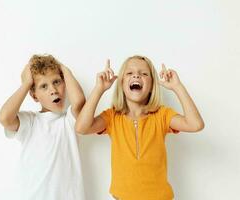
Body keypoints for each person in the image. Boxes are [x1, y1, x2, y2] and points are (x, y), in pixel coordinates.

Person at [75, 55, 204, 200]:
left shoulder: (162, 115)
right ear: (122, 83)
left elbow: (196, 124)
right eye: (129, 73)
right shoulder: (112, 117)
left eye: (144, 73)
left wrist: (177, 87)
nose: (136, 75)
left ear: (152, 86)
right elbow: (81, 128)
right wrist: (99, 89)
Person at [0, 54, 86, 200]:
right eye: (44, 86)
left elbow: (79, 102)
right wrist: (26, 84)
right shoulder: (30, 122)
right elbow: (4, 117)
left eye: (57, 82)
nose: (53, 90)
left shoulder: (69, 121)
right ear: (34, 96)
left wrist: (63, 69)